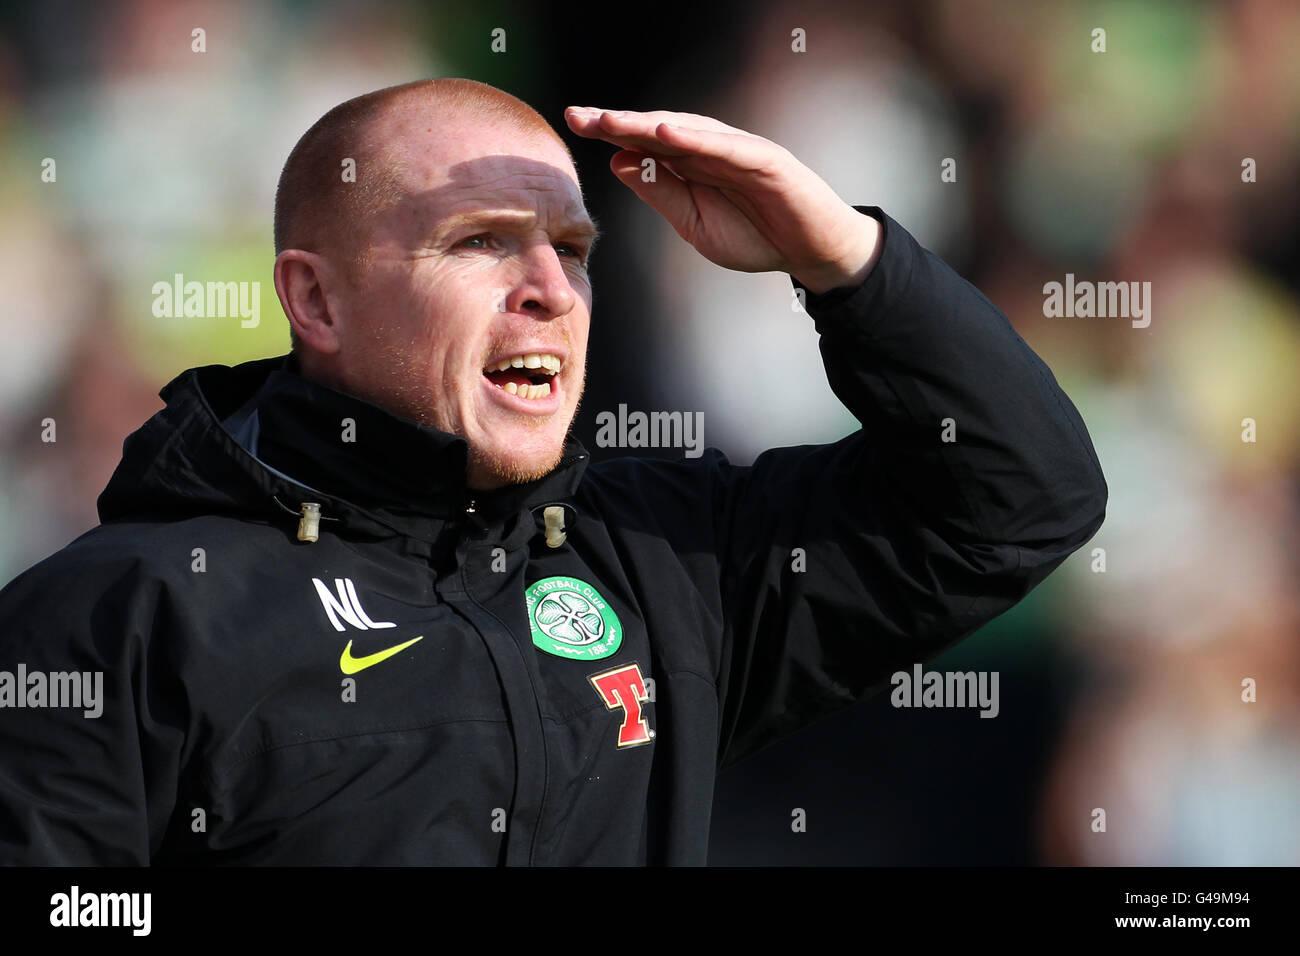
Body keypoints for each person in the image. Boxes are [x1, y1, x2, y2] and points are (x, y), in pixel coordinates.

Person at [0, 78, 1107, 865]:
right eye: (480, 240)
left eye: (572, 250)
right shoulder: (120, 613)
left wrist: (847, 261)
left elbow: (1016, 498)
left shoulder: (670, 560)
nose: (550, 288)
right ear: (316, 299)